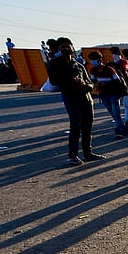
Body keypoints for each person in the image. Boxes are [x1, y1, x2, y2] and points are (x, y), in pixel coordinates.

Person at [46, 37, 104, 165]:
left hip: (86, 98)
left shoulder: (79, 65)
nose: (66, 49)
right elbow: (54, 81)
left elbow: (90, 83)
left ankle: (87, 152)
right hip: (71, 98)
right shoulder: (55, 64)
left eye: (68, 46)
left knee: (87, 126)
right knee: (75, 126)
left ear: (73, 47)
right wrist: (73, 81)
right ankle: (73, 155)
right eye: (63, 47)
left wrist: (85, 85)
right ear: (59, 49)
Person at [88, 50, 128, 139]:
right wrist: (97, 84)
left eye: (94, 59)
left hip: (114, 93)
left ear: (100, 59)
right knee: (112, 113)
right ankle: (124, 129)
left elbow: (117, 81)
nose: (92, 61)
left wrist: (106, 83)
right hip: (103, 94)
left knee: (116, 113)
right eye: (91, 59)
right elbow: (93, 81)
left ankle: (119, 131)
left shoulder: (109, 69)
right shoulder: (93, 70)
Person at [108, 46, 128, 131]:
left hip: (127, 84)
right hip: (117, 86)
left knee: (126, 103)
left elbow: (124, 68)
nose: (114, 55)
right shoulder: (111, 63)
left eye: (115, 53)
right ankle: (124, 119)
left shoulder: (124, 62)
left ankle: (127, 120)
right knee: (117, 104)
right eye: (113, 53)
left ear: (119, 53)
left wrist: (114, 65)